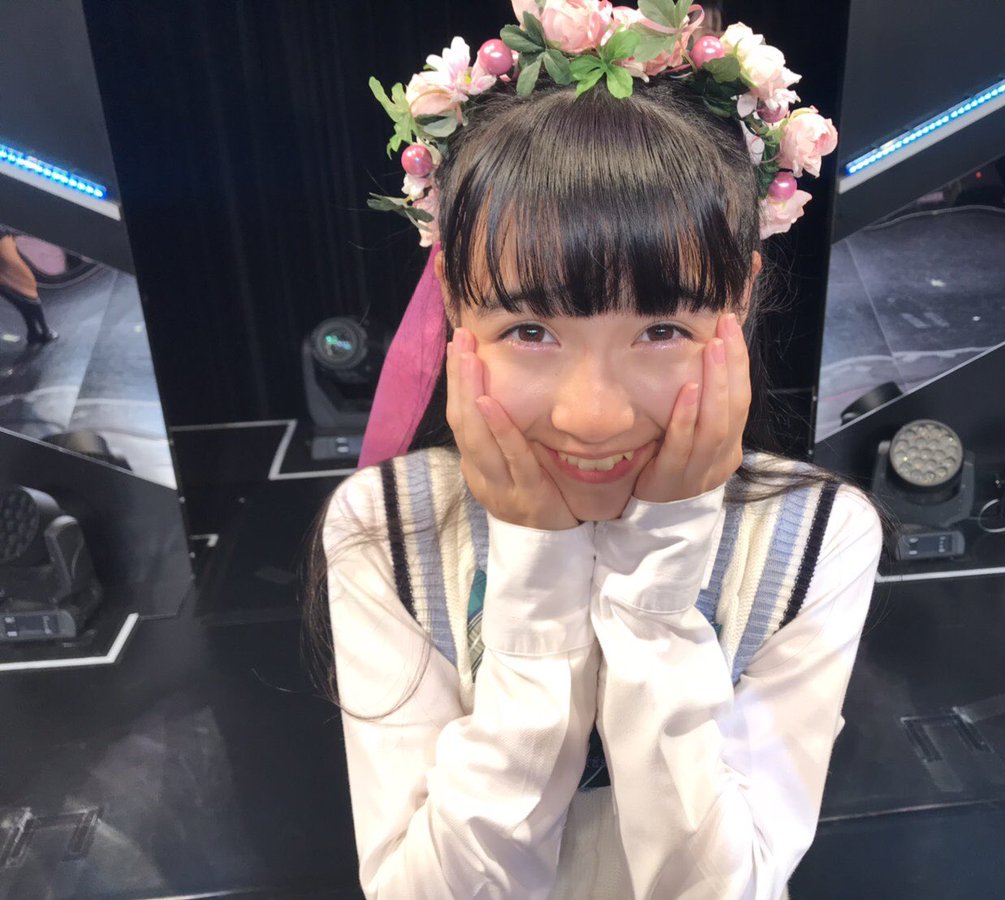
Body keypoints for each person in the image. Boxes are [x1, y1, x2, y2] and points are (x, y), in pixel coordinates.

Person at [302, 6, 890, 898]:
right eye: (530, 329)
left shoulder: (816, 536)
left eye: (661, 329)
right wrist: (534, 570)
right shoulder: (388, 528)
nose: (593, 417)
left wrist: (660, 580)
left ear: (738, 300)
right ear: (455, 301)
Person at [0, 227, 57, 344]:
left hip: (5, 246)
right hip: (4, 248)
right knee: (28, 292)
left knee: (21, 299)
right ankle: (44, 331)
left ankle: (33, 332)